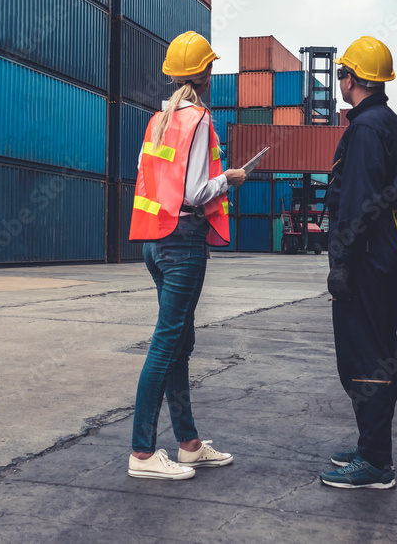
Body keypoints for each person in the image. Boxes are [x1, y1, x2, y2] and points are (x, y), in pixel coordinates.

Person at [126, 31, 247, 480]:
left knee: (178, 344)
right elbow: (196, 191)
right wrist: (229, 179)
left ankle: (189, 444)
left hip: (154, 242)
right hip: (182, 240)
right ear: (207, 74)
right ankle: (141, 452)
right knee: (165, 345)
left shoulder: (159, 120)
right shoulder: (198, 119)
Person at [321, 36, 397, 490]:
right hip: (385, 256)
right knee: (376, 350)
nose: (341, 79)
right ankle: (369, 448)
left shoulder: (364, 129)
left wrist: (341, 264)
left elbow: (356, 204)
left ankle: (375, 463)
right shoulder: (391, 124)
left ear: (353, 78)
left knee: (364, 356)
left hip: (367, 260)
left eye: (342, 73)